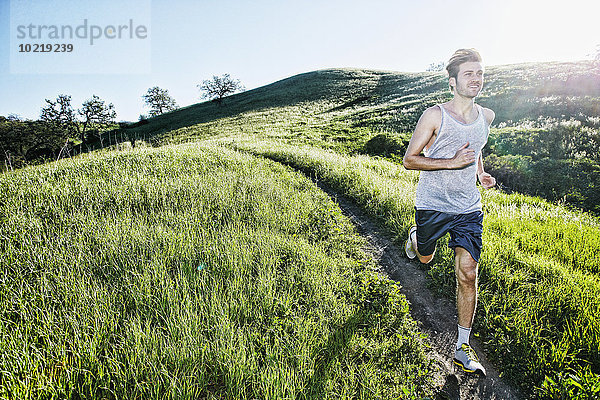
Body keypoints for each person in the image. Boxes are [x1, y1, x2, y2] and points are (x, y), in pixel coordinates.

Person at [402, 48, 496, 376]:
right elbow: (410, 159)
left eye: (480, 73)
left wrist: (479, 173)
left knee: (468, 272)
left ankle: (461, 348)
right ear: (453, 81)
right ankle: (416, 241)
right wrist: (450, 162)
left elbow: (476, 148)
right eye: (469, 73)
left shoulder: (486, 116)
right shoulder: (434, 116)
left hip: (468, 207)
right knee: (425, 258)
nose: (476, 79)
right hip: (433, 204)